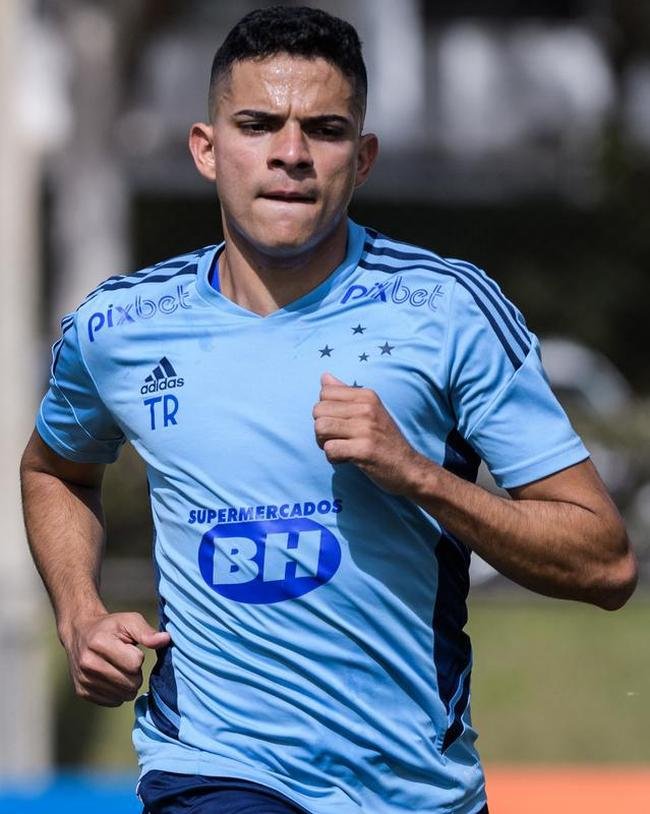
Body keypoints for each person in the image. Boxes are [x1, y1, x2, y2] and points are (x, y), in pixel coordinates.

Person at [21, 6, 637, 814]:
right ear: (206, 150)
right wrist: (79, 615)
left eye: (325, 128)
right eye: (257, 123)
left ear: (364, 157)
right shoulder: (119, 328)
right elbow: (54, 470)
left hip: (415, 788)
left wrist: (419, 476)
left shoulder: (445, 310)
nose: (289, 154)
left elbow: (606, 563)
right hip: (214, 767)